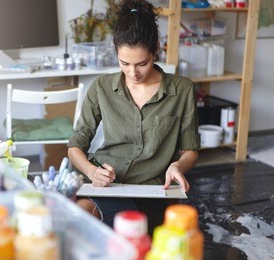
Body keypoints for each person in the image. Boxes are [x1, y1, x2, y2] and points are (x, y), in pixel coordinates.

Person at [67, 0, 200, 234]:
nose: (133, 73)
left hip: (150, 190)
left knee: (129, 232)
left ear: (156, 49)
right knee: (80, 217)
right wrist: (91, 172)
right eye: (124, 63)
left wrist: (178, 165)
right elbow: (75, 146)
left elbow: (190, 150)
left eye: (142, 64)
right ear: (115, 51)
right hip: (105, 182)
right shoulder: (101, 87)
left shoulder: (182, 89)